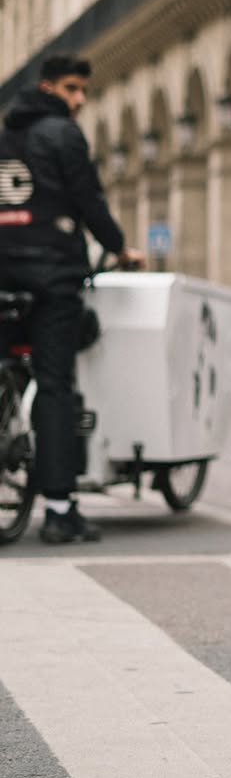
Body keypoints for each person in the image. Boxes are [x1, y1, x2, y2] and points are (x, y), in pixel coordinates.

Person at [0, 54, 143, 543]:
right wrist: (121, 247)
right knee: (55, 383)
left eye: (82, 91)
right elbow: (88, 202)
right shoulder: (62, 134)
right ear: (48, 88)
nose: (79, 100)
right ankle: (60, 511)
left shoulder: (4, 135)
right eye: (71, 89)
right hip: (52, 275)